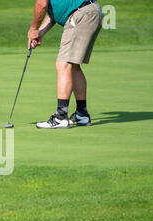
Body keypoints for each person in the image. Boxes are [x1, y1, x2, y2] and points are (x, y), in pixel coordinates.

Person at [27, 0, 104, 129]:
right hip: (90, 11)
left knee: (63, 64)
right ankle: (82, 114)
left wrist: (33, 29)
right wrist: (40, 33)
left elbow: (42, 4)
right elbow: (53, 15)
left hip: (80, 14)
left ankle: (61, 117)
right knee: (72, 65)